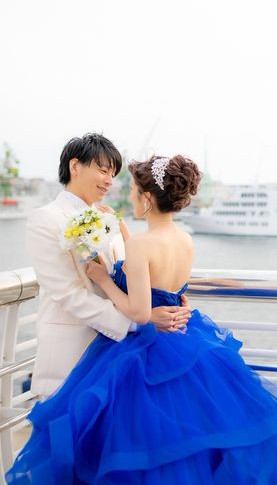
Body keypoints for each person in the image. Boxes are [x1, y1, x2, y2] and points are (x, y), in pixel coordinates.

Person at [6, 154, 277, 484]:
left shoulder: (141, 245)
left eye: (133, 189)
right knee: (184, 436)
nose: (127, 194)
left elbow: (139, 311)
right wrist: (130, 241)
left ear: (147, 198)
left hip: (144, 345)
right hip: (182, 335)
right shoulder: (184, 239)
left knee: (133, 441)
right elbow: (163, 283)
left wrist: (104, 279)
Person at [21, 134, 192, 398]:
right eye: (103, 170)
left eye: (113, 173)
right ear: (75, 167)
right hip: (73, 355)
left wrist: (171, 304)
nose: (110, 180)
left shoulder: (109, 218)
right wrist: (141, 321)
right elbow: (67, 293)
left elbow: (135, 278)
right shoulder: (45, 219)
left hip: (116, 358)